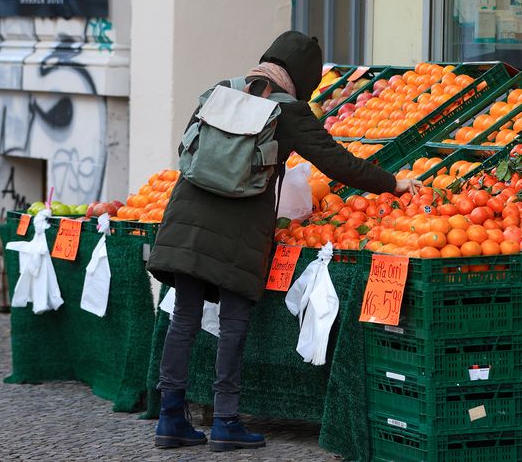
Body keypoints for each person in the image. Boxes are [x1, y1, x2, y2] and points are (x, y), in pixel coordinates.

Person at [147, 31, 422, 451]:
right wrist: (394, 183)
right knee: (233, 320)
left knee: (184, 315)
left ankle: (170, 418)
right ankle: (225, 421)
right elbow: (337, 162)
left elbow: (190, 145)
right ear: (303, 76)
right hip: (238, 231)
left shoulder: (222, 91)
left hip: (186, 217)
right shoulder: (289, 111)